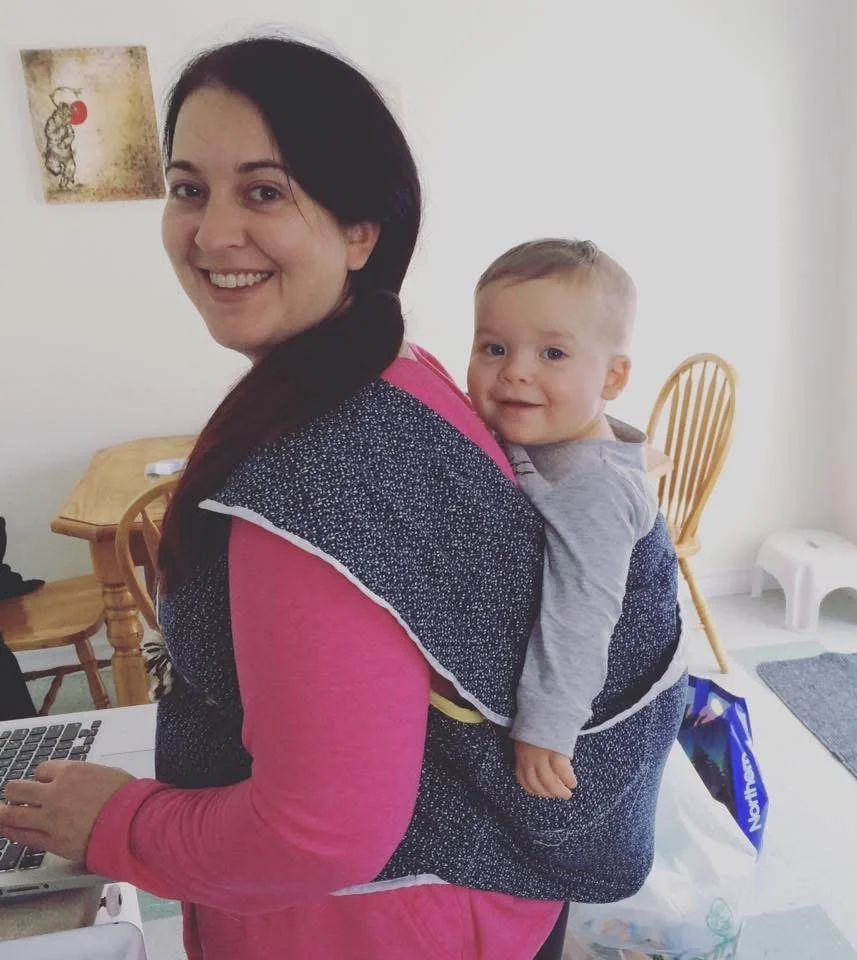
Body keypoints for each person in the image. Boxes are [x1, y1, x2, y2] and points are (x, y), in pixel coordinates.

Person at [0, 36, 684, 960]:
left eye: (264, 192)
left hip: (371, 924)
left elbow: (318, 834)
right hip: (480, 895)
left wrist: (116, 821)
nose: (212, 232)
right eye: (189, 187)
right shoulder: (404, 370)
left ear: (362, 231)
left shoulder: (314, 469)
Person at [466, 238, 670, 801]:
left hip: (589, 716)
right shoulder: (545, 435)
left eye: (552, 354)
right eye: (493, 348)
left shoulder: (593, 488)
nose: (515, 372)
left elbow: (582, 613)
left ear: (612, 379)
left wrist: (547, 725)